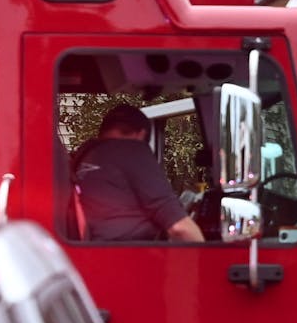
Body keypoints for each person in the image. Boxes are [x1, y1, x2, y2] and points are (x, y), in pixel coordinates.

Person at [72, 103, 203, 242]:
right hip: (128, 254)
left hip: (94, 251)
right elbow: (180, 227)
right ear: (141, 134)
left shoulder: (84, 155)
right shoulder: (131, 150)